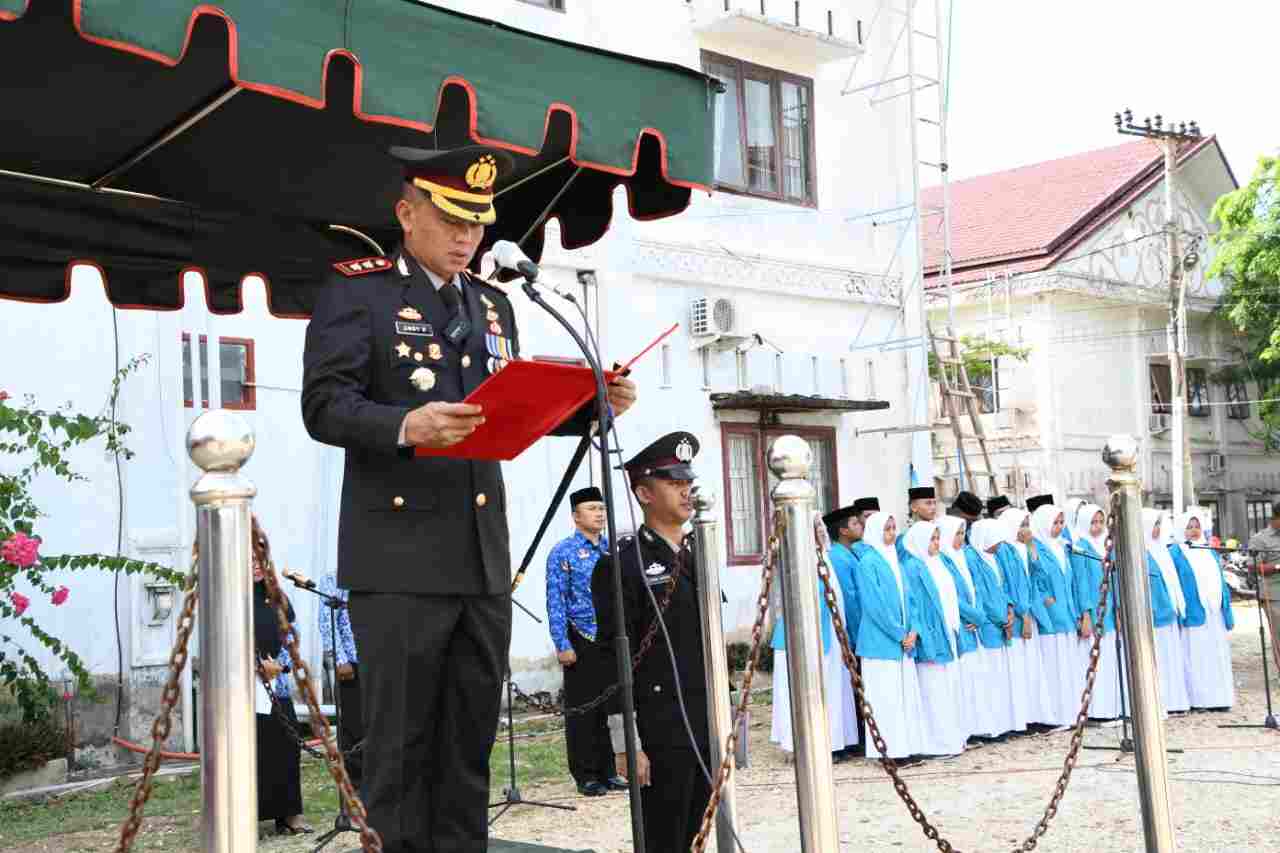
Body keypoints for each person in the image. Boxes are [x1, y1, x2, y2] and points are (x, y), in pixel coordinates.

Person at [300, 143, 638, 852]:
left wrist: (591, 405)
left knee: (468, 750)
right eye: (452, 221)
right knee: (398, 754)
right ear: (407, 213)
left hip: (482, 561)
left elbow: (503, 409)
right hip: (398, 563)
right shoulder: (359, 292)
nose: (467, 238)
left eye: (477, 224)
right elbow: (324, 406)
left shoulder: (493, 304)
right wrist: (405, 425)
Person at [591, 432, 710, 853]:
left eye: (688, 482)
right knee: (665, 838)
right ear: (644, 493)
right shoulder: (623, 565)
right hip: (660, 727)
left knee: (698, 834)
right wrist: (626, 742)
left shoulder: (700, 553)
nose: (686, 491)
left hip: (705, 719)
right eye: (674, 483)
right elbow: (611, 657)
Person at [546, 486, 624, 796]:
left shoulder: (609, 550)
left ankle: (609, 770)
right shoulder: (562, 552)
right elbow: (556, 600)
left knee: (610, 707)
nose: (599, 514)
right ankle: (586, 774)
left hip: (608, 637)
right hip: (580, 636)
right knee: (583, 710)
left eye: (601, 508)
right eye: (592, 509)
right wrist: (562, 643)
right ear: (576, 516)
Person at [771, 510, 858, 761]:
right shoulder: (797, 558)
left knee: (832, 689)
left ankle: (835, 741)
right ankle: (807, 745)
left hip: (830, 634)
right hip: (805, 637)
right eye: (814, 526)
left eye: (820, 526)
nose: (820, 530)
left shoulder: (824, 556)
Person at [251, 518, 311, 836]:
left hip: (278, 685)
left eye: (259, 558)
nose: (256, 565)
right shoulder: (230, 598)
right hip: (245, 688)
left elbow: (292, 636)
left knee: (286, 746)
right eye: (249, 559)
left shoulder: (277, 596)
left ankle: (289, 814)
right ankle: (247, 817)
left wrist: (280, 667)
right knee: (251, 751)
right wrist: (255, 666)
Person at [855, 512, 926, 763]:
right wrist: (899, 633)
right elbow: (875, 606)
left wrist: (914, 630)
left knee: (904, 697)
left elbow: (912, 600)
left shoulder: (895, 559)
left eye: (894, 528)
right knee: (886, 699)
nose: (892, 533)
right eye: (887, 529)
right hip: (881, 643)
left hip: (904, 642)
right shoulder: (868, 562)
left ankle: (907, 747)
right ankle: (889, 752)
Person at [901, 521, 968, 756]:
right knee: (933, 690)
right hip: (929, 635)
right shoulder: (912, 567)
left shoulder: (939, 563)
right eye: (932, 539)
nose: (937, 543)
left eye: (938, 538)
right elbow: (914, 605)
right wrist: (922, 633)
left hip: (947, 632)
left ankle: (953, 738)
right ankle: (937, 743)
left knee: (948, 687)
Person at [938, 516, 997, 739]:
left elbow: (976, 588)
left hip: (975, 624)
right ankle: (967, 729)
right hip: (963, 624)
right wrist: (974, 615)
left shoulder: (963, 557)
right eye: (956, 534)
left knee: (976, 679)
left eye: (963, 533)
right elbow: (952, 596)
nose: (961, 538)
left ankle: (979, 726)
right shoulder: (943, 559)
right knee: (963, 680)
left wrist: (979, 614)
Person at [1170, 509, 1235, 710]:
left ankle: (1220, 699)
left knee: (1217, 655)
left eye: (1197, 526)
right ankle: (1199, 700)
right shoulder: (1176, 552)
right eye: (1189, 527)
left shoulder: (1209, 550)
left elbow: (1220, 582)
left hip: (1215, 614)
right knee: (1196, 657)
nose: (1194, 530)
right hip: (1193, 613)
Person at [996, 509, 1055, 729]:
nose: (1026, 529)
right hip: (1020, 618)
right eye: (1022, 524)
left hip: (1031, 613)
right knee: (1019, 669)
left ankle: (1034, 715)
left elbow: (1039, 572)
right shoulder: (1005, 550)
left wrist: (1031, 545)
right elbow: (1012, 585)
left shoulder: (1024, 547)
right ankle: (1022, 719)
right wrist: (1024, 614)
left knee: (1032, 668)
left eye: (1027, 524)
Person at [1069, 504, 1123, 721]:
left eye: (1101, 522)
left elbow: (1116, 580)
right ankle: (1097, 711)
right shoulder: (1080, 548)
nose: (1098, 526)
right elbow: (1081, 583)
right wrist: (1086, 614)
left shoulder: (1107, 546)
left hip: (1109, 610)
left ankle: (1114, 707)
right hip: (1094, 612)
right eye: (1093, 522)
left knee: (1111, 660)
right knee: (1094, 661)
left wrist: (1118, 610)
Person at [1029, 504, 1080, 728]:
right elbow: (1035, 578)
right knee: (1053, 667)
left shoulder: (1062, 547)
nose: (1058, 527)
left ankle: (1070, 713)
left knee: (1066, 666)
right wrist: (1047, 600)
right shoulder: (1036, 548)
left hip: (1067, 613)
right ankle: (1055, 715)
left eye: (1061, 523)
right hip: (1050, 617)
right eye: (1054, 523)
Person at [968, 520, 1018, 737]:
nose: (1000, 544)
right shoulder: (973, 558)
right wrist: (1000, 618)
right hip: (988, 625)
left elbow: (1002, 587)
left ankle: (1001, 724)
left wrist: (1009, 608)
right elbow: (982, 594)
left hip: (1000, 622)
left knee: (1000, 678)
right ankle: (989, 728)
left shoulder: (994, 557)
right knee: (988, 678)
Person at [317, 572, 363, 789]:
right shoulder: (333, 579)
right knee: (354, 725)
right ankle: (355, 785)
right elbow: (327, 621)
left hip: (381, 662)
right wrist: (340, 659)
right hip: (352, 664)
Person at [1142, 509, 1190, 714]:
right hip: (1154, 617)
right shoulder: (1142, 553)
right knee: (1159, 661)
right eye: (1154, 525)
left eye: (1159, 525)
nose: (1157, 529)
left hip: (1170, 613)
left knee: (1171, 660)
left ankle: (1175, 702)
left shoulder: (1162, 550)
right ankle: (1160, 703)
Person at [1247, 504, 1280, 674]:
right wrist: (1277, 567)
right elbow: (1252, 566)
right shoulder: (1259, 539)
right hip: (1274, 594)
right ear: (1275, 518)